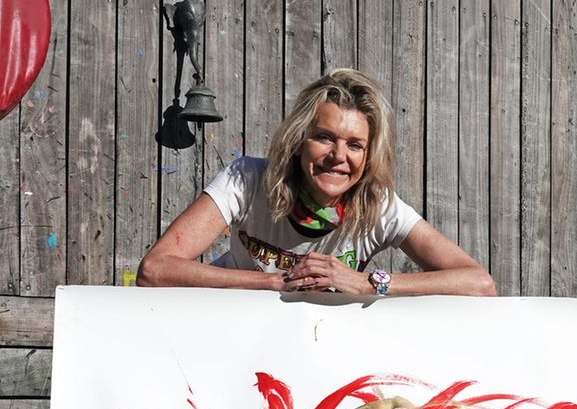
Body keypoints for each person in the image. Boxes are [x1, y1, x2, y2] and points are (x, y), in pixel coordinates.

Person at [138, 69, 496, 297]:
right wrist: (273, 283)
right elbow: (155, 270)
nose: (339, 156)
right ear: (298, 141)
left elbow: (479, 284)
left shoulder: (378, 205)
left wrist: (367, 283)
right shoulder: (247, 179)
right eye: (324, 137)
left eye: (355, 145)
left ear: (369, 156)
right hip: (233, 325)